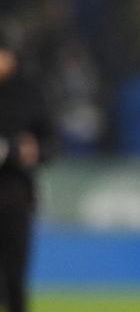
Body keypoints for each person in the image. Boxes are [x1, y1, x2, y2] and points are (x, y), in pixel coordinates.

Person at [0, 39, 52, 312]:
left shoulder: (28, 94)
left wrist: (35, 150)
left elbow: (50, 143)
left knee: (14, 275)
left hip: (16, 196)